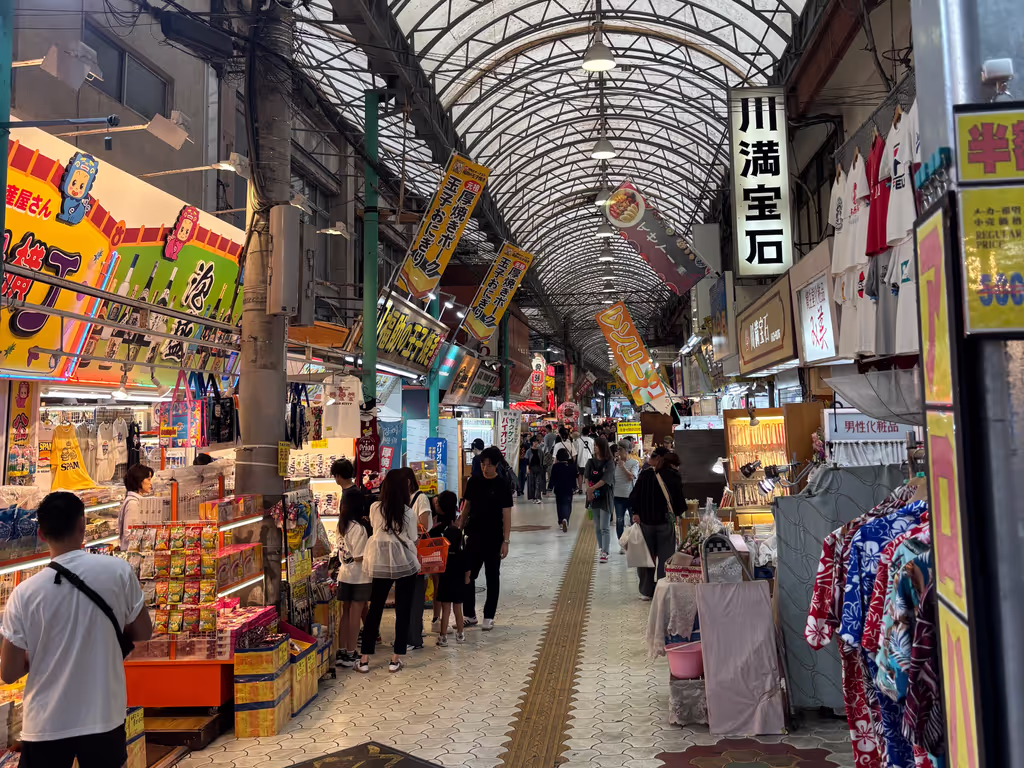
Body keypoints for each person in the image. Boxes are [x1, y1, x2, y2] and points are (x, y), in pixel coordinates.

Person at [1, 492, 153, 767]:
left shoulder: (24, 594)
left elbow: (9, 673)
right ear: (82, 525)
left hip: (45, 724)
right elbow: (143, 632)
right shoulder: (118, 572)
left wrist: (40, 652)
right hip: (104, 716)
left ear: (41, 534)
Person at [357, 470, 421, 673]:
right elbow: (413, 537)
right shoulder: (408, 512)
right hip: (405, 563)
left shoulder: (376, 508)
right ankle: (395, 659)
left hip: (380, 562)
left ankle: (365, 659)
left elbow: (376, 529)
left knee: (375, 608)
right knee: (403, 610)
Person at [461, 447, 513, 630]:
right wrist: (458, 527)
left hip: (493, 537)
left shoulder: (502, 484)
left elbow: (506, 514)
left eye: (489, 465)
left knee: (492, 576)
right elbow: (467, 507)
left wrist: (505, 541)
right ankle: (469, 614)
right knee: (467, 574)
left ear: (497, 465)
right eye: (483, 464)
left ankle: (489, 616)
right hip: (473, 535)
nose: (485, 468)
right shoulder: (474, 481)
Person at [629, 448, 686, 600]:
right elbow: (680, 502)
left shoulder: (646, 475)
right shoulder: (674, 477)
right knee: (666, 558)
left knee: (646, 557)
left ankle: (647, 591)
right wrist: (679, 514)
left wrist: (636, 512)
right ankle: (662, 590)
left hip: (645, 523)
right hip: (665, 523)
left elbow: (634, 496)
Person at [335, 477, 373, 668]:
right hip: (359, 576)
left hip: (343, 574)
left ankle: (341, 651)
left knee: (345, 613)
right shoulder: (359, 528)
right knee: (355, 614)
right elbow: (359, 556)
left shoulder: (341, 525)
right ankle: (351, 653)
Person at [428, 491, 467, 647]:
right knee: (458, 606)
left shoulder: (437, 528)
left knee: (445, 606)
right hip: (457, 575)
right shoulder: (458, 528)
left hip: (443, 572)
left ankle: (442, 635)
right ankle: (461, 635)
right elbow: (464, 555)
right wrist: (467, 575)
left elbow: (428, 540)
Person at [402, 468, 433, 651]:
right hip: (405, 553)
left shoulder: (420, 498)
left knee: (414, 597)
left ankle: (414, 638)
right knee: (407, 597)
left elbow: (425, 526)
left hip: (416, 553)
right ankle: (412, 634)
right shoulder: (401, 499)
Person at [585, 437, 616, 563]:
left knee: (604, 526)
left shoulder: (609, 462)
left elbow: (606, 480)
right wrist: (589, 490)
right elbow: (586, 476)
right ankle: (601, 548)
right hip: (593, 497)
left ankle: (605, 551)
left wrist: (591, 489)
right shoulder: (590, 462)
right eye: (594, 445)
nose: (595, 447)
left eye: (597, 445)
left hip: (606, 496)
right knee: (597, 526)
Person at [118, 463, 153, 550]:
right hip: (132, 553)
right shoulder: (133, 503)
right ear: (139, 480)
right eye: (148, 479)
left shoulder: (136, 500)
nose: (151, 483)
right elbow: (128, 533)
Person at [612, 442, 639, 548]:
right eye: (617, 450)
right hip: (617, 496)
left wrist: (623, 467)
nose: (618, 452)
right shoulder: (614, 463)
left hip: (630, 496)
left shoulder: (634, 463)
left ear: (626, 451)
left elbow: (631, 477)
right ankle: (622, 543)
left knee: (634, 522)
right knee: (619, 521)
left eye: (620, 450)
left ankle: (633, 543)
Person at [548, 448, 576, 533]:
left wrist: (549, 488)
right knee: (568, 504)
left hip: (558, 489)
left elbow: (552, 478)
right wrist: (574, 487)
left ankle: (561, 521)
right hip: (568, 489)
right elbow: (573, 478)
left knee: (559, 505)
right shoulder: (571, 467)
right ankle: (566, 519)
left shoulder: (555, 467)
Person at [525, 436, 545, 504]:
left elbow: (542, 459)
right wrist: (527, 469)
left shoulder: (540, 451)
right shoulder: (528, 451)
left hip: (539, 468)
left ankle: (538, 497)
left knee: (538, 483)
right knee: (532, 483)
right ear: (532, 443)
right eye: (534, 442)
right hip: (531, 468)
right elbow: (527, 461)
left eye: (536, 442)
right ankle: (533, 497)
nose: (536, 443)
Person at [575, 427, 595, 493]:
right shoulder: (591, 440)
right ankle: (588, 489)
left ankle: (580, 489)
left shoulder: (578, 440)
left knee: (580, 474)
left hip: (580, 460)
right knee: (588, 475)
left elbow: (576, 451)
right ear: (589, 432)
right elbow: (593, 451)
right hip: (589, 459)